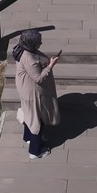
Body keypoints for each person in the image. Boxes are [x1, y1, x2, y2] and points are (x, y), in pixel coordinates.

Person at [12, 28, 62, 159]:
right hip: (33, 93)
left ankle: (28, 137)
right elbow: (39, 78)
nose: (40, 43)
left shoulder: (21, 49)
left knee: (30, 114)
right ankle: (35, 150)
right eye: (38, 42)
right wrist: (51, 65)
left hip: (25, 89)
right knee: (38, 119)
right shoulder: (29, 58)